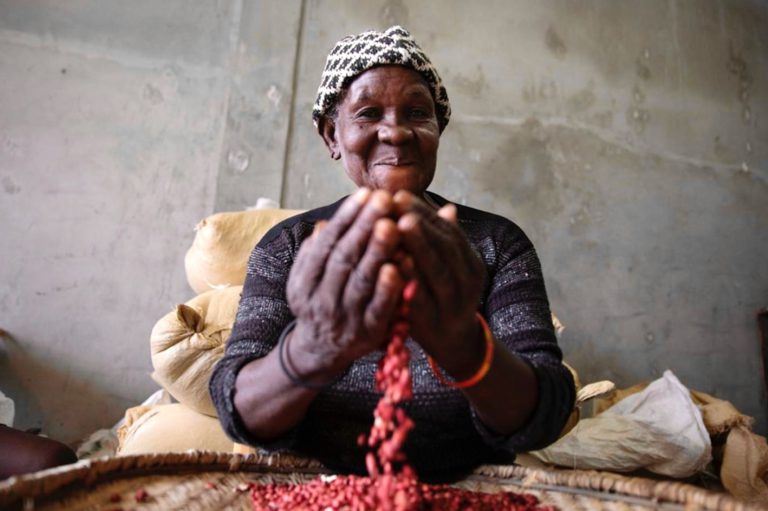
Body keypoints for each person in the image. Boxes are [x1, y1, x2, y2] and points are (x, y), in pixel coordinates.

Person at [210, 26, 575, 478]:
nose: (396, 132)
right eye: (368, 113)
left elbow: (546, 411)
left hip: (463, 491)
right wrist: (317, 348)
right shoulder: (291, 247)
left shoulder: (495, 244)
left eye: (417, 112)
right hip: (318, 492)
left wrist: (463, 345)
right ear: (332, 136)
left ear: (437, 129)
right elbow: (237, 409)